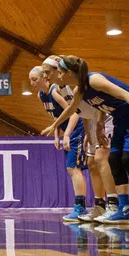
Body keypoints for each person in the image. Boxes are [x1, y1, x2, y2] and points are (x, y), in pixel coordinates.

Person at [42, 56, 129, 226]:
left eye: (60, 73)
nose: (59, 77)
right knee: (114, 160)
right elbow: (73, 109)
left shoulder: (95, 80)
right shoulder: (79, 91)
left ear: (69, 73)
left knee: (128, 159)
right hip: (120, 119)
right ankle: (124, 209)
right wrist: (57, 125)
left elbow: (127, 95)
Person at [42, 56, 118, 223]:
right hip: (91, 122)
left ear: (58, 71)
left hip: (103, 117)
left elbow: (90, 107)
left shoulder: (71, 86)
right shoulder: (63, 88)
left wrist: (95, 126)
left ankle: (114, 205)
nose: (45, 76)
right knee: (91, 164)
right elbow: (82, 111)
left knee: (101, 159)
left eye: (48, 72)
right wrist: (87, 133)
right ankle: (100, 206)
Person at [30, 66, 88, 222]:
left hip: (77, 129)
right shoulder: (41, 95)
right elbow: (57, 117)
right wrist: (57, 134)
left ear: (44, 78)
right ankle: (81, 207)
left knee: (74, 168)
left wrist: (67, 134)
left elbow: (75, 112)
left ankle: (80, 208)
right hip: (68, 131)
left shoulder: (55, 91)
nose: (32, 83)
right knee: (72, 168)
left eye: (34, 79)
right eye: (30, 80)